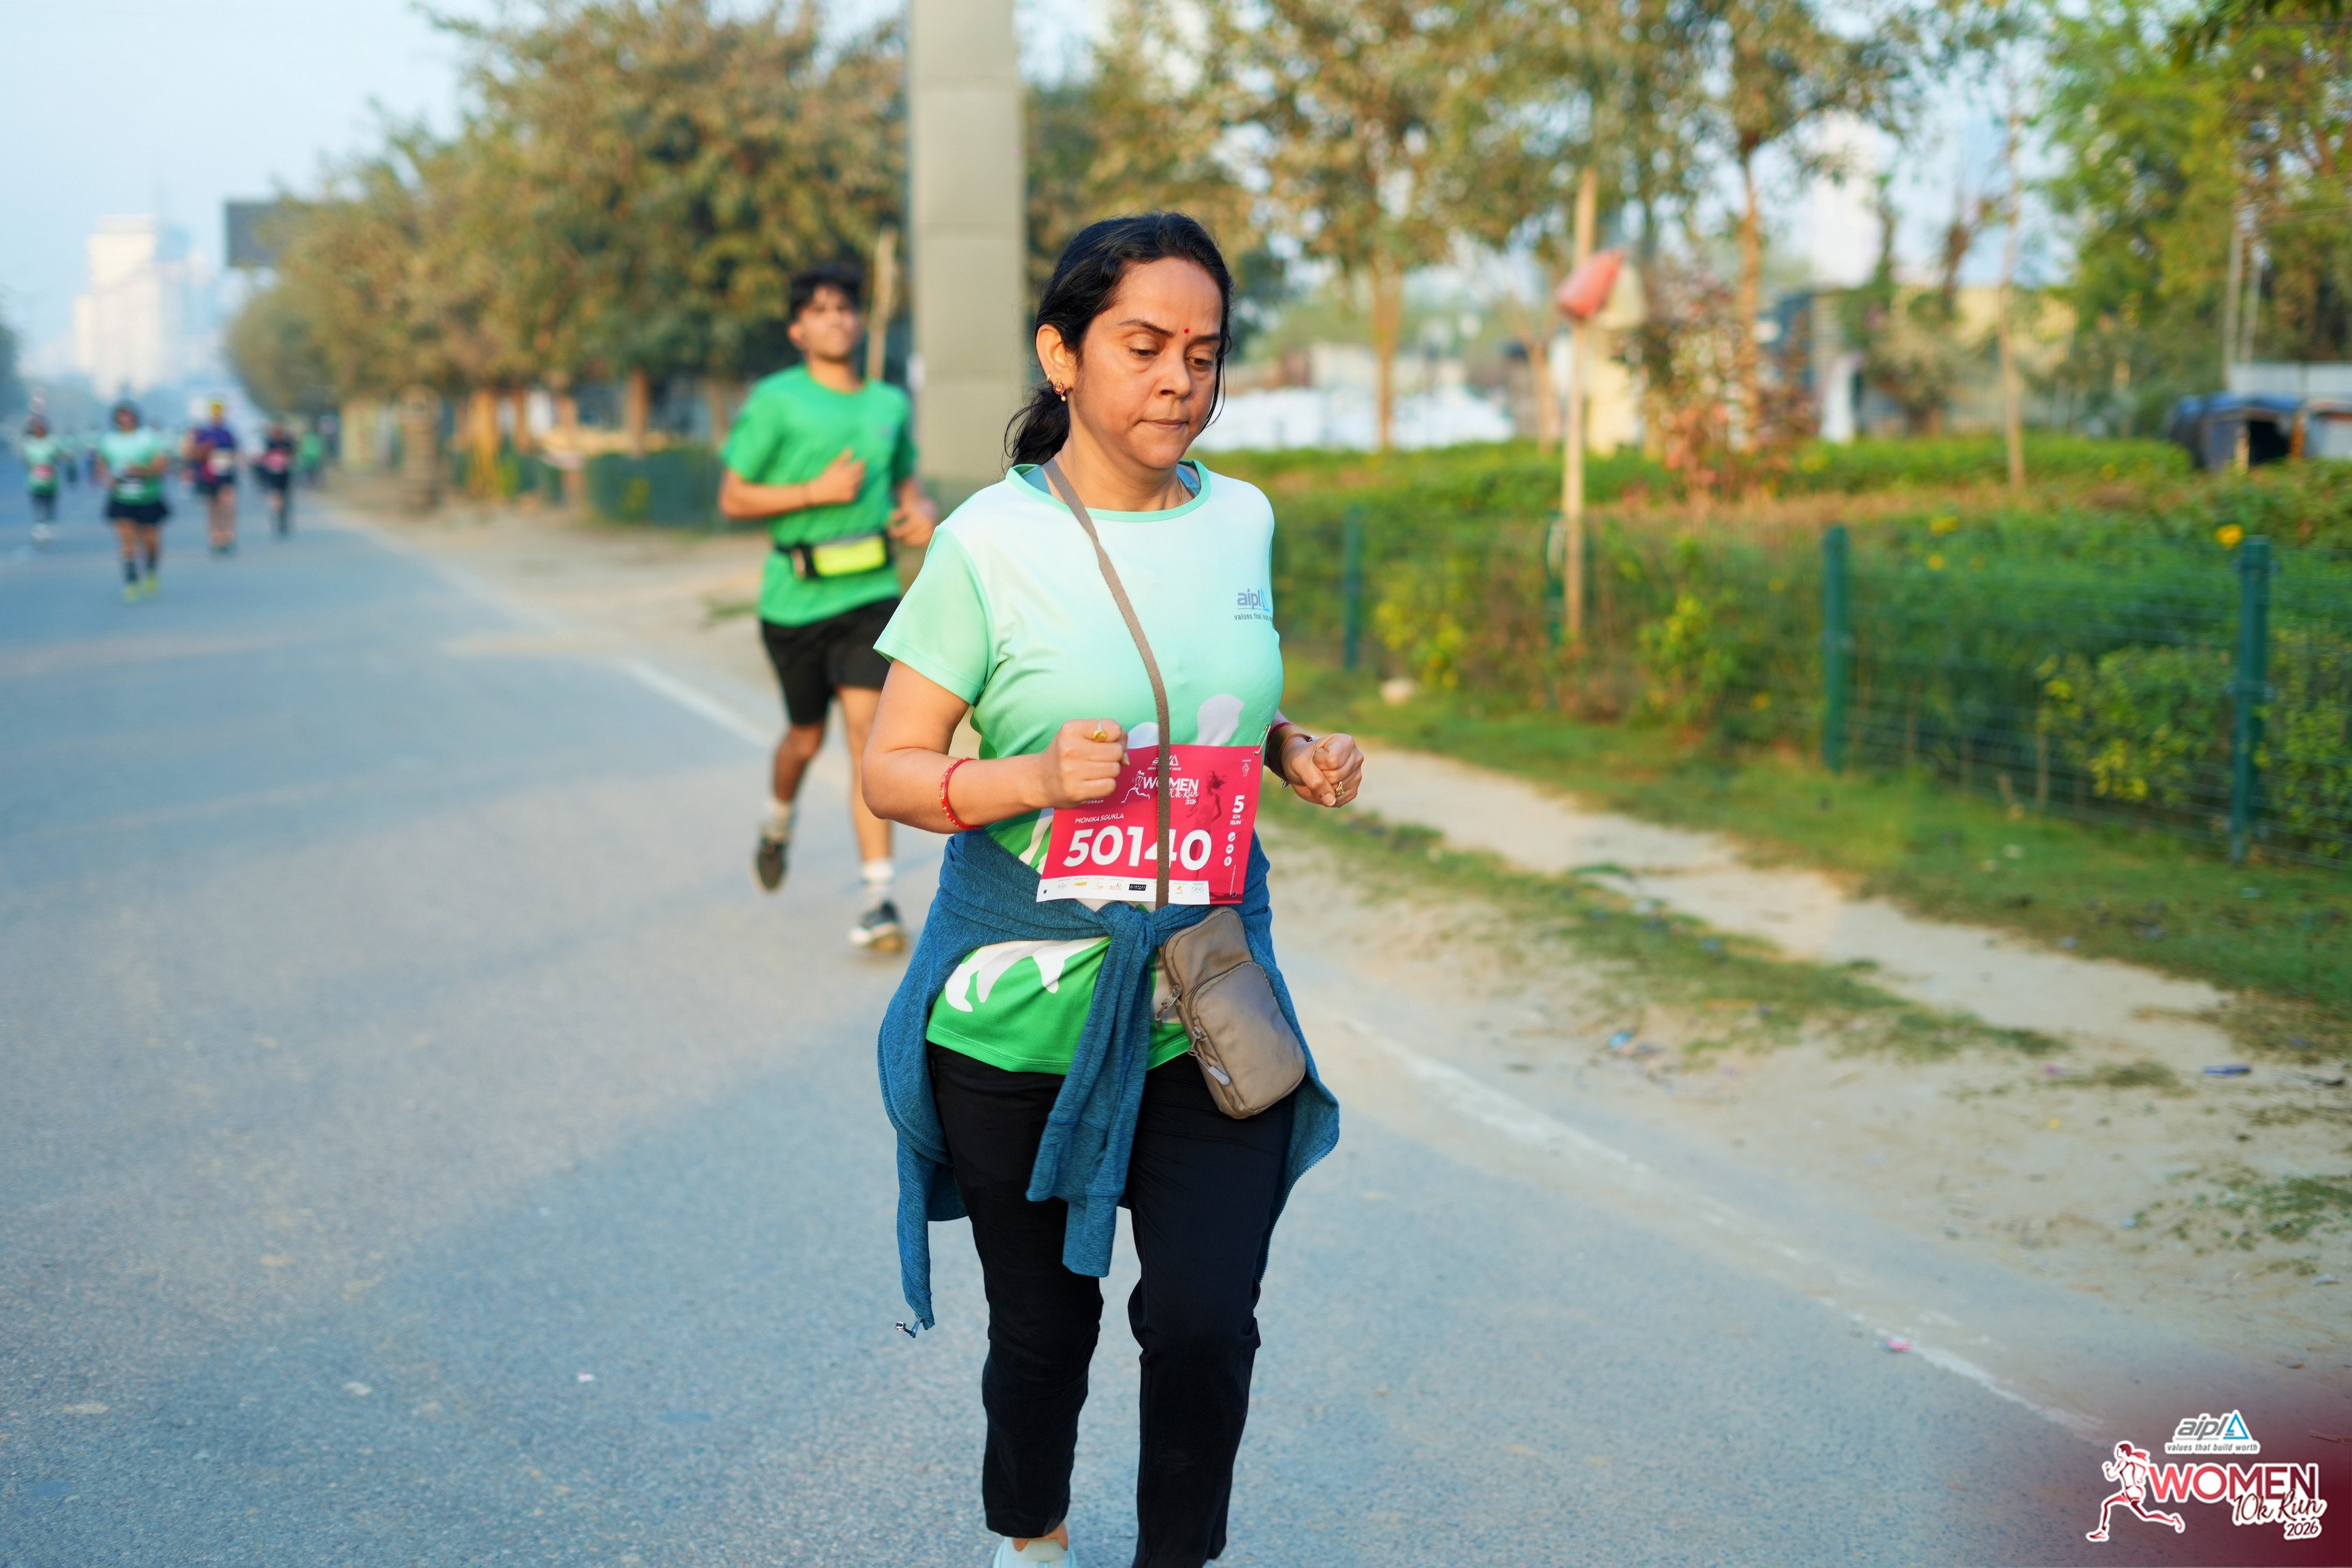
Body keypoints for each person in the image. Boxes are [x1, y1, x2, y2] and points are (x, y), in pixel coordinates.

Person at [862, 212, 1362, 1568]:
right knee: (1043, 1330)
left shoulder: (1242, 516)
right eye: (1143, 346)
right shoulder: (989, 542)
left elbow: (1201, 696)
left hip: (1202, 992)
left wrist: (1286, 747)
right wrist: (1028, 777)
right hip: (1022, 1010)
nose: (1179, 381)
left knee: (1204, 1322)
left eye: (1203, 353)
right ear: (1062, 354)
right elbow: (891, 766)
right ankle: (1033, 1535)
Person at [717, 261, 936, 951]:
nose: (835, 319)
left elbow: (908, 486)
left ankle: (878, 898)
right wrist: (815, 493)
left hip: (870, 595)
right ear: (797, 330)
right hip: (794, 601)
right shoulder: (776, 401)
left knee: (867, 735)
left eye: (844, 307)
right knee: (804, 740)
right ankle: (777, 821)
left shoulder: (888, 404)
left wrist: (921, 515)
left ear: (859, 320)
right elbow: (734, 496)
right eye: (819, 310)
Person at [96, 401, 172, 602]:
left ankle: (151, 572)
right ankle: (131, 582)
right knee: (127, 541)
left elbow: (162, 465)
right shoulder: (109, 441)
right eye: (121, 417)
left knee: (150, 541)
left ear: (136, 418)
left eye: (129, 416)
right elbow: (101, 466)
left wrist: (140, 471)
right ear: (115, 420)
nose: (125, 420)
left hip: (149, 497)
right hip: (122, 499)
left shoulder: (149, 438)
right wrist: (108, 480)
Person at [186, 398, 240, 554]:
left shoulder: (228, 433)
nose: (218, 417)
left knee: (228, 506)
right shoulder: (202, 433)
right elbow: (192, 454)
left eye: (220, 414)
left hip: (226, 474)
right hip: (209, 476)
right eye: (215, 414)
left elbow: (235, 453)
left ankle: (228, 536)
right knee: (213, 508)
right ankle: (215, 537)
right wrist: (205, 449)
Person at [22, 414, 63, 546]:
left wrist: (49, 467)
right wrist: (36, 469)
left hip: (51, 481)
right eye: (36, 427)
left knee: (49, 505)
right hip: (35, 482)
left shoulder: (52, 442)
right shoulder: (28, 443)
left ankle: (47, 527)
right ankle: (40, 528)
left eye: (41, 427)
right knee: (38, 504)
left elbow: (58, 457)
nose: (39, 429)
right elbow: (26, 461)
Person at [255, 420, 298, 535]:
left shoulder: (287, 443)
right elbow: (263, 458)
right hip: (272, 475)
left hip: (285, 475)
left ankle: (282, 518)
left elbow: (292, 457)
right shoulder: (269, 443)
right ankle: (276, 516)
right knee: (276, 497)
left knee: (285, 498)